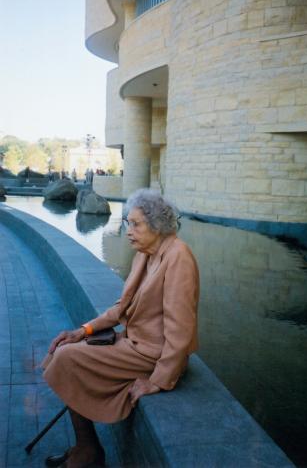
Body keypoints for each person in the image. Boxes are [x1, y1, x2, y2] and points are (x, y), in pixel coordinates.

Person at [42, 188, 199, 468]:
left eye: (136, 224)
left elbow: (181, 330)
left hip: (153, 355)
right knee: (64, 350)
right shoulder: (145, 255)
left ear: (157, 224)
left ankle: (87, 452)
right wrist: (85, 330)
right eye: (128, 223)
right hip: (132, 344)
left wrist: (159, 380)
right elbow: (121, 307)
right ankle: (85, 448)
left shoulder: (179, 257)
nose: (129, 231)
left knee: (67, 359)